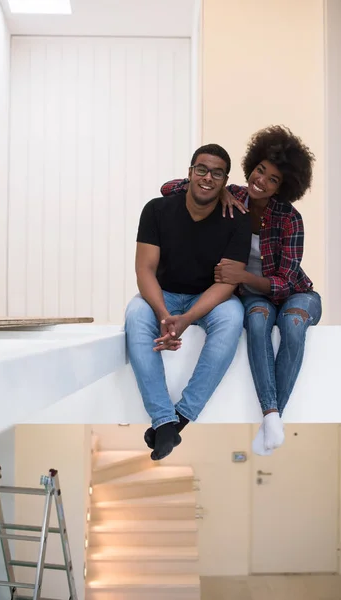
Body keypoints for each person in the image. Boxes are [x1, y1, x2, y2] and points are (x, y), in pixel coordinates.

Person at [160, 125, 322, 456]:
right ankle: (272, 420)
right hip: (255, 300)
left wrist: (242, 276)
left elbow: (285, 282)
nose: (261, 180)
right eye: (260, 170)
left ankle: (271, 418)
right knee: (259, 321)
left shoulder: (290, 219)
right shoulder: (233, 197)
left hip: (296, 295)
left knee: (291, 323)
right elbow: (168, 188)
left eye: (273, 179)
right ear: (252, 166)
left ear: (283, 187)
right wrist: (218, 190)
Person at [125, 143, 251, 461]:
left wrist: (186, 318)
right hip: (164, 293)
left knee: (234, 316)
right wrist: (165, 314)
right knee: (136, 312)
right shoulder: (156, 210)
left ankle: (180, 417)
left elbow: (227, 283)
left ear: (225, 181)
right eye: (202, 170)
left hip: (208, 296)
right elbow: (145, 269)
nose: (208, 178)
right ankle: (162, 418)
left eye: (217, 173)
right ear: (190, 172)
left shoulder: (237, 219)